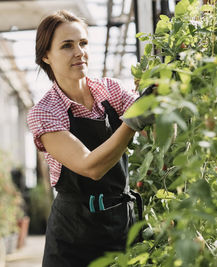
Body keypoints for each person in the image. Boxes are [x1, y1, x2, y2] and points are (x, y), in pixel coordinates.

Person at [27, 10, 149, 267]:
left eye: (83, 43)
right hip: (74, 238)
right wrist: (133, 121)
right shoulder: (45, 112)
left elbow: (151, 130)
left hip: (121, 226)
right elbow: (90, 167)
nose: (79, 52)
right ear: (46, 56)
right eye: (67, 46)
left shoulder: (111, 90)